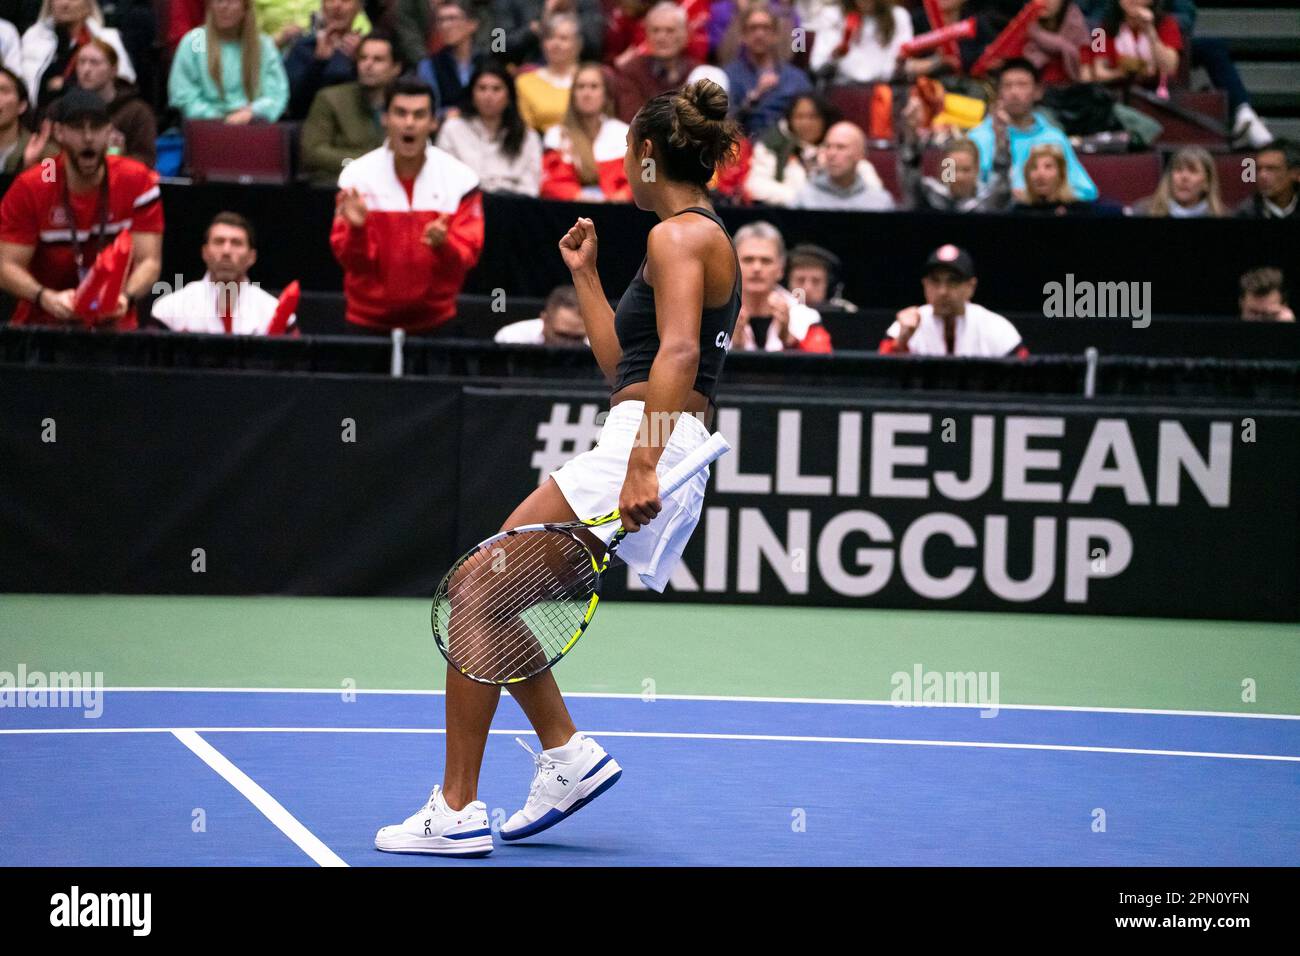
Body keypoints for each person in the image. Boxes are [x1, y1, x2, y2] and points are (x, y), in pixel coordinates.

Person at [374, 78, 743, 856]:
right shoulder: (689, 236)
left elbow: (679, 355)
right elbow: (631, 366)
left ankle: (457, 806)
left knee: (477, 587)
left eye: (626, 155)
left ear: (647, 153)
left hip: (652, 444)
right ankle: (566, 755)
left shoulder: (679, 235)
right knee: (493, 594)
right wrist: (585, 275)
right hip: (645, 429)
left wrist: (642, 464)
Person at [331, 77, 485, 333]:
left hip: (436, 321)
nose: (409, 123)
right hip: (365, 321)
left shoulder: (462, 179)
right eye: (400, 113)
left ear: (433, 122)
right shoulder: (355, 177)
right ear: (385, 119)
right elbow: (349, 261)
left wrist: (443, 245)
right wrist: (357, 231)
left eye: (419, 114)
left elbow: (468, 257)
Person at [0, 88, 162, 330]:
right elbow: (5, 266)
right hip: (44, 326)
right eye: (77, 128)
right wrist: (44, 296)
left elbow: (149, 260)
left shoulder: (137, 180)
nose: (88, 138)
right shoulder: (32, 185)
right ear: (59, 133)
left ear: (109, 132)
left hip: (114, 323)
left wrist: (125, 298)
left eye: (96, 127)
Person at [966, 57, 1097, 202]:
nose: (1014, 92)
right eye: (1007, 86)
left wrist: (1037, 198)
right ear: (999, 93)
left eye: (1022, 85)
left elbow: (1087, 191)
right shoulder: (976, 137)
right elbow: (949, 179)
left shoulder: (1054, 138)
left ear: (1038, 91)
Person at [151, 212, 298, 334]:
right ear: (205, 252)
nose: (226, 251)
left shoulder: (273, 313)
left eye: (236, 243)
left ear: (251, 257)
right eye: (219, 241)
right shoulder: (169, 310)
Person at [879, 244, 1024, 357]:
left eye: (953, 281)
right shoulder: (905, 326)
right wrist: (901, 342)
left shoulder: (996, 327)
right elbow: (879, 378)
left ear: (971, 286)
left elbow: (1024, 379)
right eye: (935, 281)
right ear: (924, 284)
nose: (943, 291)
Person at [300, 31, 402, 185]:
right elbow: (313, 153)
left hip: (393, 186)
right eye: (363, 58)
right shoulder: (331, 98)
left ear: (396, 68)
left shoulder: (407, 103)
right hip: (339, 185)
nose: (368, 65)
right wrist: (356, 163)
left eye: (378, 60)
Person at [169, 0, 290, 123]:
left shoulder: (263, 45)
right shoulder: (195, 41)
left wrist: (252, 112)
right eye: (218, 1)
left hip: (253, 125)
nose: (224, 6)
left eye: (231, 1)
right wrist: (217, 117)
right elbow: (183, 93)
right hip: (205, 126)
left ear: (245, 8)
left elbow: (276, 95)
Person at [435, 61, 543, 196]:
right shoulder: (452, 129)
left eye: (496, 89)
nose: (488, 96)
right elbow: (444, 180)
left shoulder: (527, 136)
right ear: (472, 94)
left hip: (513, 208)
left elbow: (531, 189)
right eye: (482, 88)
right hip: (466, 207)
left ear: (509, 96)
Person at [898, 94, 1011, 213]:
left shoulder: (988, 201)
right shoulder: (929, 197)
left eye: (966, 170)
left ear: (977, 170)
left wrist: (1001, 139)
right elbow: (910, 175)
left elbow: (1002, 182)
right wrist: (910, 134)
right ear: (943, 171)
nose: (959, 177)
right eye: (952, 170)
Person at [729, 220, 832, 351]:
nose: (757, 268)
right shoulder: (715, 315)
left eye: (766, 261)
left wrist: (788, 340)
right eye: (748, 260)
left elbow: (823, 366)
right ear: (734, 266)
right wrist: (735, 348)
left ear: (781, 269)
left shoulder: (805, 317)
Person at [539, 61, 631, 202]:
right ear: (573, 95)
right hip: (569, 211)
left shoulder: (623, 134)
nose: (587, 93)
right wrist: (580, 197)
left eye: (594, 87)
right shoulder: (556, 136)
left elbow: (638, 180)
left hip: (617, 212)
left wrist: (621, 197)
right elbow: (549, 183)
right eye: (581, 87)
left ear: (606, 95)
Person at [20, 0, 135, 111]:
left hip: (98, 113)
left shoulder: (109, 38)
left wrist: (67, 86)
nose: (65, 3)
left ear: (88, 4)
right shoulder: (32, 38)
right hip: (41, 116)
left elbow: (124, 85)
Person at [722, 1, 811, 137]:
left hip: (786, 146)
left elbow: (811, 117)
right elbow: (722, 123)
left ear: (776, 35)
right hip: (742, 147)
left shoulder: (795, 78)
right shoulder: (728, 76)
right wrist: (754, 97)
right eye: (753, 28)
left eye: (766, 28)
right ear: (743, 36)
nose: (759, 34)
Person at [611, 2, 700, 124]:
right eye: (655, 30)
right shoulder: (631, 72)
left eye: (670, 30)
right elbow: (632, 119)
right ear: (646, 35)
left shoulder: (698, 72)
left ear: (685, 35)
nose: (661, 37)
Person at [73, 37, 155, 167]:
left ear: (113, 70)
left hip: (121, 182)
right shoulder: (63, 109)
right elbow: (49, 159)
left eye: (94, 63)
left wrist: (117, 157)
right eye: (81, 62)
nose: (86, 69)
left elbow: (146, 162)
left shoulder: (136, 112)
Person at [282, 0, 368, 119]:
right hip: (308, 123)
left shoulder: (368, 49)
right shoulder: (303, 47)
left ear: (359, 7)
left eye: (345, 1)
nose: (337, 5)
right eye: (330, 0)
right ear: (322, 5)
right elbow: (292, 101)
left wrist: (359, 60)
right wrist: (319, 62)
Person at [792, 119, 894, 211]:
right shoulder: (804, 199)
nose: (831, 154)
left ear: (860, 154)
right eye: (828, 146)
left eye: (841, 147)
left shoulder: (880, 204)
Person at [1080, 0, 1180, 88]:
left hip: (1156, 94)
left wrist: (1150, 29)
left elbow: (1169, 67)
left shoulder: (1168, 23)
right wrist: (1124, 74)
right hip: (1116, 92)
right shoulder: (1101, 30)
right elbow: (1098, 72)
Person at [809, 0, 912, 85]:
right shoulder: (831, 15)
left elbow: (904, 63)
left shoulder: (899, 16)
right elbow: (816, 65)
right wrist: (835, 56)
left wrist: (899, 65)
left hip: (885, 90)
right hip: (843, 88)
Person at [513, 11, 581, 133]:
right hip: (542, 147)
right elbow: (525, 132)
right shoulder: (525, 82)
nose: (556, 44)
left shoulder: (590, 79)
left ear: (576, 44)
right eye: (550, 38)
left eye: (563, 38)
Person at [416, 0, 485, 118]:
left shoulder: (486, 62)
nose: (445, 25)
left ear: (472, 24)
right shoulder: (429, 66)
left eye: (452, 18)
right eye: (440, 20)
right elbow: (429, 110)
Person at [494, 0, 604, 66]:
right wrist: (536, 27)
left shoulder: (584, 2)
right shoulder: (505, 2)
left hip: (576, 74)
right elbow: (498, 47)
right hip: (526, 73)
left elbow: (595, 46)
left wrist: (570, 14)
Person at [1130, 145, 1223, 217]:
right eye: (1178, 169)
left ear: (1207, 183)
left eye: (1193, 171)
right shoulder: (1143, 211)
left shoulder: (1223, 215)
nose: (1184, 177)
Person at [0, 66, 55, 173]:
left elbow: (52, 186)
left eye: (4, 91)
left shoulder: (46, 154)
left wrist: (29, 168)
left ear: (22, 105)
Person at [493, 284, 588, 343]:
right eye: (562, 335)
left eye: (577, 338)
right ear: (545, 320)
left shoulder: (599, 348)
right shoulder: (511, 339)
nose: (569, 345)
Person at [1235, 139, 1298, 221]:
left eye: (1272, 169)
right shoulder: (1244, 214)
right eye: (1258, 169)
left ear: (1296, 174)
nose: (1262, 176)